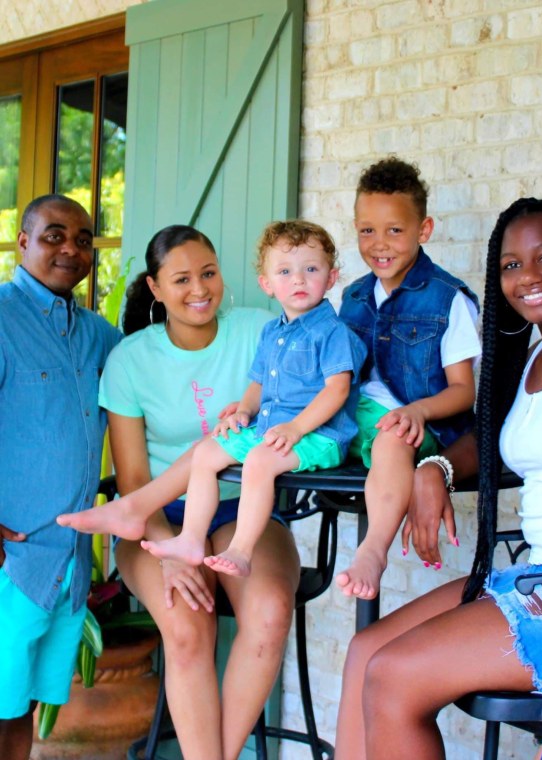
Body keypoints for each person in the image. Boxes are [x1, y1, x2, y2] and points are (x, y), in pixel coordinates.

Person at [334, 195, 542, 760]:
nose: (527, 277)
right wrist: (435, 465)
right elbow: (490, 445)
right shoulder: (533, 356)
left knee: (393, 675)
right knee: (366, 651)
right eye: (511, 266)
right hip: (533, 567)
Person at [61, 224, 301, 760]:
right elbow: (134, 480)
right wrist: (169, 553)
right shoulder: (130, 360)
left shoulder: (263, 332)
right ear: (155, 287)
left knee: (267, 613)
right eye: (182, 278)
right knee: (188, 627)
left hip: (245, 510)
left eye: (209, 273)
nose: (200, 289)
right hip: (157, 520)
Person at [78, 220, 366, 578]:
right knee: (207, 451)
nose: (299, 280)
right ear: (268, 284)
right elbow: (259, 382)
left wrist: (295, 427)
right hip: (276, 431)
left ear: (331, 276)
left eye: (311, 269)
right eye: (285, 271)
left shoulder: (331, 332)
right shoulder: (273, 331)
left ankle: (241, 550)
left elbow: (337, 390)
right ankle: (191, 538)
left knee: (260, 460)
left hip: (318, 435)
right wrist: (244, 410)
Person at [0, 195, 121, 760]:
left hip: (67, 564)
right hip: (11, 561)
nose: (71, 248)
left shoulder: (101, 338)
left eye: (83, 239)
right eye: (53, 235)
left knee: (20, 708)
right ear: (23, 242)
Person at [336, 156, 481, 599]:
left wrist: (416, 410)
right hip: (355, 414)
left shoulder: (447, 299)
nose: (380, 243)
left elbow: (463, 392)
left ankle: (374, 550)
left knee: (393, 437)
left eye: (395, 230)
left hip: (419, 422)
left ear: (424, 230)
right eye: (367, 230)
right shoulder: (353, 296)